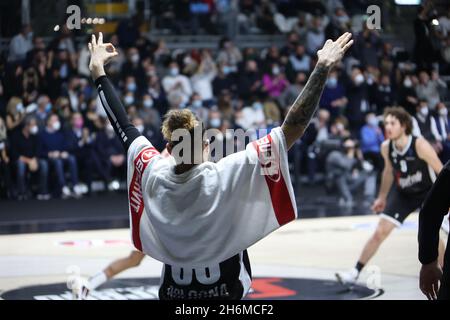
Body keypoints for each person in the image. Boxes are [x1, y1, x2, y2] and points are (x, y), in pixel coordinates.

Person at [87, 32, 353, 300]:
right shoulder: (225, 174)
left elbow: (122, 125)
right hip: (226, 295)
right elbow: (293, 126)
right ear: (204, 147)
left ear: (169, 149)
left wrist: (98, 72)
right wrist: (321, 68)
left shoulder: (153, 173)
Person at [336, 107, 447, 286]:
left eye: (392, 123)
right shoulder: (386, 147)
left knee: (432, 234)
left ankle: (443, 272)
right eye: (386, 123)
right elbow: (388, 172)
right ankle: (354, 272)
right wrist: (381, 197)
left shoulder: (419, 145)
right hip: (403, 193)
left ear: (403, 126)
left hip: (427, 192)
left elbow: (442, 172)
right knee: (380, 231)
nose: (387, 126)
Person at [418, 160, 450, 300]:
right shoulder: (386, 148)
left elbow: (430, 211)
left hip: (423, 189)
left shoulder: (420, 144)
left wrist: (428, 260)